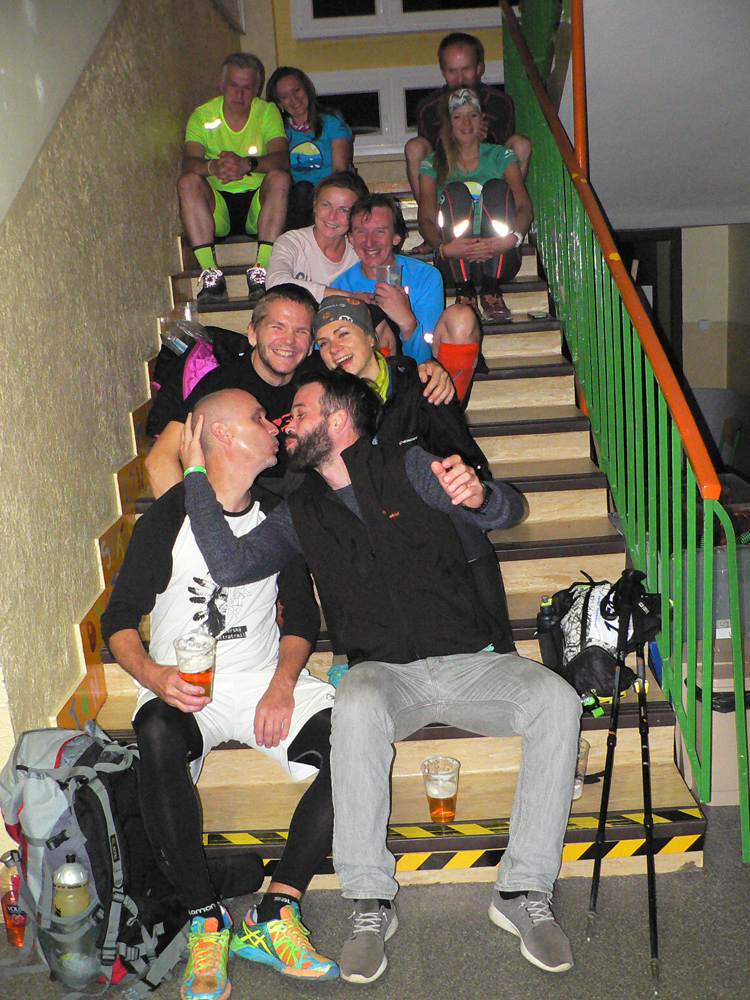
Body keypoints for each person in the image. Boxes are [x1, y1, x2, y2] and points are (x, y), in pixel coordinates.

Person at [179, 367, 581, 984]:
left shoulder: (411, 467)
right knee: (357, 704)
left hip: (471, 661)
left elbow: (507, 510)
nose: (287, 424)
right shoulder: (300, 509)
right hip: (383, 674)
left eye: (300, 413)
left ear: (338, 420)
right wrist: (195, 475)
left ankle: (523, 890)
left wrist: (481, 497)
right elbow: (231, 564)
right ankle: (370, 903)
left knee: (556, 700)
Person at [102, 388, 340, 1000]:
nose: (274, 424)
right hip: (186, 686)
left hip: (262, 679)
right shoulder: (166, 518)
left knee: (354, 743)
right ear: (222, 435)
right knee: (154, 730)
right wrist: (153, 676)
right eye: (259, 418)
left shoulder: (279, 513)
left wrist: (283, 684)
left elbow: (302, 618)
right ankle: (206, 918)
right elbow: (118, 621)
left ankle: (276, 909)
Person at [144, 283, 453, 498]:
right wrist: (194, 528)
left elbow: (373, 367)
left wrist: (425, 368)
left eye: (301, 331)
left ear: (310, 345)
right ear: (252, 333)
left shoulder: (321, 371)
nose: (289, 341)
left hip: (314, 497)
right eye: (277, 327)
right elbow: (159, 459)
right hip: (250, 502)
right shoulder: (221, 386)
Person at [335, 193, 482, 403]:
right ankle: (380, 412)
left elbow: (424, 359)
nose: (369, 241)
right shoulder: (340, 287)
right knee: (372, 323)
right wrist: (356, 309)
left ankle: (447, 411)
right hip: (373, 396)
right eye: (360, 231)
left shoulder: (426, 276)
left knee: (461, 317)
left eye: (380, 231)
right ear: (350, 238)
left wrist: (407, 322)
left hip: (429, 380)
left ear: (396, 237)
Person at [177, 52, 290, 306]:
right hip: (217, 206)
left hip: (257, 205)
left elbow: (282, 158)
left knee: (280, 178)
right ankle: (210, 274)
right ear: (221, 85)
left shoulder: (267, 112)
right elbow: (189, 162)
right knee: (187, 181)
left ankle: (261, 269)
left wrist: (246, 164)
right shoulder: (202, 115)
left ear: (256, 90)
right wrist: (214, 167)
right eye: (233, 85)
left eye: (247, 87)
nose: (239, 94)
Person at [417, 87, 533, 323]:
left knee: (497, 187)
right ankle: (465, 292)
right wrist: (445, 248)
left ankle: (492, 290)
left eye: (472, 115)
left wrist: (511, 239)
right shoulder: (432, 163)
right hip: (454, 260)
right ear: (449, 123)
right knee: (455, 192)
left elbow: (524, 207)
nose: (466, 123)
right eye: (458, 116)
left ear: (482, 119)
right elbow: (425, 219)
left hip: (499, 255)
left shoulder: (500, 156)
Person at [404, 32, 531, 209]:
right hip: (447, 173)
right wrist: (450, 136)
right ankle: (431, 215)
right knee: (414, 147)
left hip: (491, 178)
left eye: (466, 69)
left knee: (521, 144)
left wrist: (485, 137)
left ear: (479, 68)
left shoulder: (500, 103)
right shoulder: (428, 107)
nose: (460, 79)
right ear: (442, 71)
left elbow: (505, 156)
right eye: (452, 71)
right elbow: (428, 161)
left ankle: (507, 208)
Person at [266, 67, 354, 231]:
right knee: (300, 190)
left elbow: (340, 169)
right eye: (285, 96)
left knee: (308, 191)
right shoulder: (278, 132)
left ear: (306, 89)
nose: (294, 99)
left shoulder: (331, 120)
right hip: (297, 201)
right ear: (279, 104)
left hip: (333, 191)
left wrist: (321, 197)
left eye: (297, 90)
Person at [265, 171, 368, 302]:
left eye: (343, 210)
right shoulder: (292, 241)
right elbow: (275, 283)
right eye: (326, 205)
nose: (332, 216)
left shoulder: (359, 249)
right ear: (315, 205)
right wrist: (345, 295)